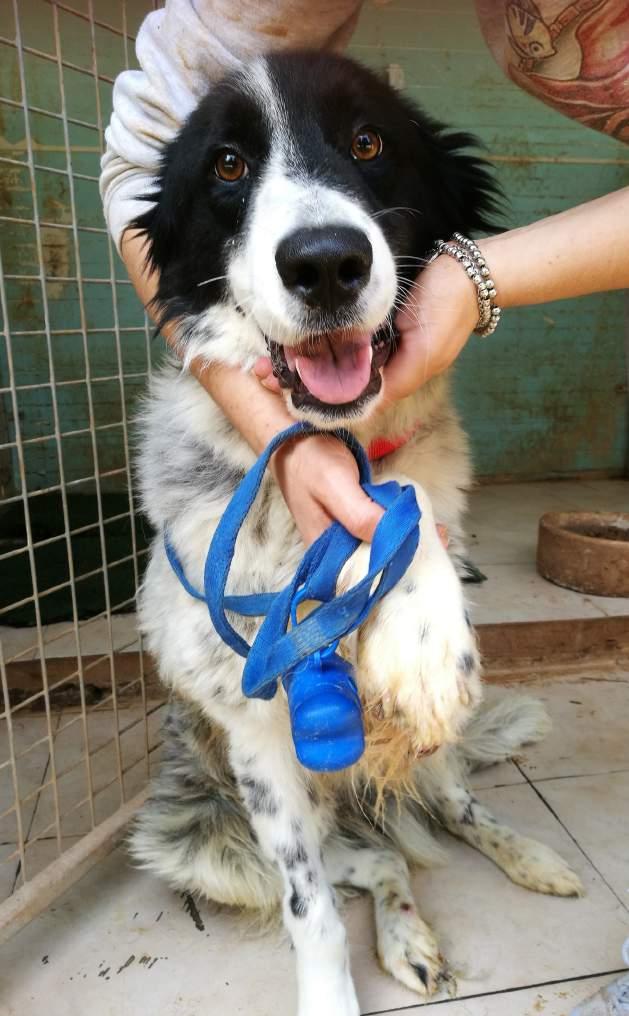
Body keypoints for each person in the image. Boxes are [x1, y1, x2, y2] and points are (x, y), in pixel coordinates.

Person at [100, 3, 629, 1011]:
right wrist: (282, 437)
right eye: (230, 170)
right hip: (238, 589)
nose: (319, 243)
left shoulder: (430, 436)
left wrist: (470, 283)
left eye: (366, 145)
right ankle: (323, 959)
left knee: (424, 726)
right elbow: (139, 173)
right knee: (258, 732)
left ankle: (462, 811)